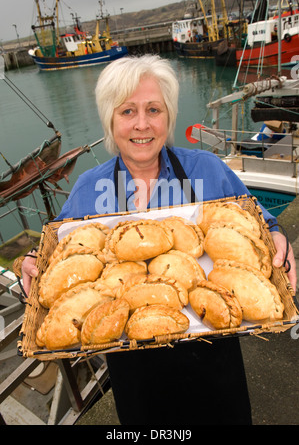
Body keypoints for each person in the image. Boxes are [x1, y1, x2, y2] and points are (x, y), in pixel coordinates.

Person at [21, 54, 297, 425]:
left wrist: (278, 237)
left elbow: (256, 222)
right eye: (127, 112)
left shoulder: (207, 169)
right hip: (134, 369)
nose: (142, 124)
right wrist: (33, 261)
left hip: (212, 350)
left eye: (154, 109)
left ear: (169, 116)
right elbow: (59, 249)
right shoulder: (91, 188)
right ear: (110, 120)